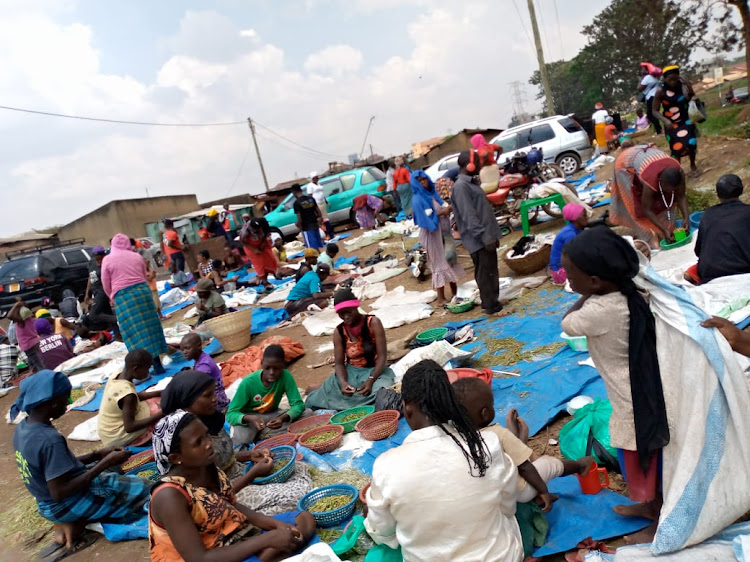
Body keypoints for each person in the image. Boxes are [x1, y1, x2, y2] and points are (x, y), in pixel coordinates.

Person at [561, 227, 669, 544]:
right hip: (643, 391)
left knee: (644, 463)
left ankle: (659, 520)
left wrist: (584, 296)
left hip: (630, 400)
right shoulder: (629, 291)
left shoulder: (598, 309)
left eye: (571, 275)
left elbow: (568, 323)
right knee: (644, 459)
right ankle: (649, 507)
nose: (568, 282)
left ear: (595, 282)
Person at [364, 360, 523, 561]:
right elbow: (508, 507)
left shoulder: (386, 466)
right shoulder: (486, 444)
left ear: (407, 409)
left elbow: (384, 533)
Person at [13, 370, 149, 559]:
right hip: (63, 503)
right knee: (145, 490)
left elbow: (59, 468)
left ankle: (70, 524)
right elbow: (59, 492)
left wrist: (97, 454)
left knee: (114, 474)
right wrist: (104, 463)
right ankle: (76, 523)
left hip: (45, 504)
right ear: (52, 403)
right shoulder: (49, 439)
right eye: (65, 400)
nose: (68, 404)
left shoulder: (25, 428)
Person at [148, 411, 316, 561]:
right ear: (175, 458)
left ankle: (270, 554)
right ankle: (269, 554)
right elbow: (198, 557)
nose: (208, 444)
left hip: (233, 536)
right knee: (280, 543)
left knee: (304, 520)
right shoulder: (169, 496)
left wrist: (275, 525)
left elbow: (231, 505)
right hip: (209, 554)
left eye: (206, 436)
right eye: (198, 442)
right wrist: (266, 540)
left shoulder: (206, 466)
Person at [453, 377, 594, 511]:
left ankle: (533, 490)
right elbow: (525, 468)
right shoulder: (497, 433)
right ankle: (580, 466)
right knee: (549, 463)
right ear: (485, 413)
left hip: (491, 498)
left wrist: (515, 438)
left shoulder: (456, 438)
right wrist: (543, 491)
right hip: (518, 493)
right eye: (492, 405)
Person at [305, 289, 395, 410]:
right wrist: (343, 383)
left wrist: (371, 380)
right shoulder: (339, 332)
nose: (346, 317)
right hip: (351, 372)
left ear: (356, 307)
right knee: (326, 391)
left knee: (382, 390)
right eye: (341, 314)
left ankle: (351, 403)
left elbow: (382, 357)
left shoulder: (373, 323)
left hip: (375, 370)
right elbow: (339, 364)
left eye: (349, 312)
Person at [102, 233, 169, 374]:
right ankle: (157, 364)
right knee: (150, 328)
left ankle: (141, 369)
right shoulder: (136, 257)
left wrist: (113, 296)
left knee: (133, 332)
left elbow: (106, 283)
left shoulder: (107, 260)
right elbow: (143, 276)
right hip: (143, 293)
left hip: (124, 298)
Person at [451, 150, 503, 315]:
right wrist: (485, 236)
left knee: (491, 270)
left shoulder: (471, 183)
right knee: (485, 273)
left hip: (486, 235)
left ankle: (493, 302)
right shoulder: (461, 187)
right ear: (469, 165)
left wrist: (492, 234)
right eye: (478, 163)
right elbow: (469, 216)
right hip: (478, 239)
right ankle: (490, 307)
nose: (481, 166)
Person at [610, 144, 690, 248]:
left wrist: (686, 217)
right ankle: (649, 240)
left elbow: (681, 196)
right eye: (668, 189)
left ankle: (664, 231)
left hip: (645, 157)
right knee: (636, 208)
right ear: (660, 182)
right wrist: (663, 229)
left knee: (666, 201)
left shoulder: (679, 171)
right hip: (625, 166)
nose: (671, 192)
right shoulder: (650, 179)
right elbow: (646, 209)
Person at [226, 344, 307, 446]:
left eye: (277, 368)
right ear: (261, 364)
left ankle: (263, 433)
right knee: (240, 441)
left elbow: (298, 404)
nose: (272, 372)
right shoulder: (248, 383)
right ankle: (265, 432)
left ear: (283, 365)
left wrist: (283, 418)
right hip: (251, 420)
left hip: (272, 416)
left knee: (307, 413)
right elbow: (230, 414)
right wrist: (249, 418)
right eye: (267, 368)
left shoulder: (286, 376)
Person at [411, 169, 465, 304]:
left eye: (424, 180)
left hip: (443, 232)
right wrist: (441, 213)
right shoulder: (417, 199)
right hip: (431, 235)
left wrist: (448, 209)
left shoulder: (432, 194)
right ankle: (441, 298)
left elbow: (441, 207)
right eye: (419, 182)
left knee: (450, 258)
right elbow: (423, 219)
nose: (423, 183)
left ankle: (455, 293)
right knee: (438, 264)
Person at [684, 174, 750, 284]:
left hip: (709, 274)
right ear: (741, 191)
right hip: (741, 271)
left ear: (718, 195)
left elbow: (698, 251)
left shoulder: (707, 215)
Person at [97, 348, 163, 447]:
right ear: (136, 369)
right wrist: (162, 414)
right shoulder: (128, 395)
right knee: (163, 413)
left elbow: (135, 397)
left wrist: (159, 393)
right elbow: (130, 427)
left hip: (106, 431)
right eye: (147, 369)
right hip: (118, 436)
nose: (148, 373)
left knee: (156, 399)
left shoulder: (117, 375)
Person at [652, 65, 700, 176]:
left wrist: (694, 98)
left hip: (685, 120)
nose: (673, 81)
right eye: (670, 79)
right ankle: (678, 170)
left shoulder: (684, 85)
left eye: (675, 78)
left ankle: (693, 165)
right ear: (665, 79)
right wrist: (665, 121)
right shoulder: (660, 91)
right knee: (676, 148)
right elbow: (654, 111)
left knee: (691, 143)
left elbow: (692, 95)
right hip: (670, 123)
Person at [180, 333, 229, 411]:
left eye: (187, 348)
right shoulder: (201, 358)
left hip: (216, 400)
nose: (184, 352)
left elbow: (197, 383)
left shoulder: (204, 364)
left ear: (199, 346)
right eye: (182, 350)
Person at [549, 203, 589, 285]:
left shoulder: (577, 229)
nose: (587, 217)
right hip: (560, 273)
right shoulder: (569, 234)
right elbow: (575, 256)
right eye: (584, 215)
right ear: (575, 218)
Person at [240, 218, 278, 290]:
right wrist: (254, 249)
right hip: (250, 246)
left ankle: (274, 274)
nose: (256, 230)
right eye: (255, 229)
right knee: (259, 263)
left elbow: (266, 234)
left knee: (269, 259)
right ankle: (265, 282)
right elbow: (242, 241)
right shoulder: (245, 230)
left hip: (262, 242)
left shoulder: (264, 224)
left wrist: (262, 245)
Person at [7, 300, 44, 372]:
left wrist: (16, 305)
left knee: (39, 365)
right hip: (34, 342)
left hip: (28, 346)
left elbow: (9, 316)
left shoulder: (20, 322)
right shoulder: (30, 319)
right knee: (34, 365)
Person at [291, 183, 323, 250]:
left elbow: (299, 218)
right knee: (316, 247)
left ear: (294, 192)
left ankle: (317, 260)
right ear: (301, 190)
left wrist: (300, 226)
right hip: (315, 225)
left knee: (311, 249)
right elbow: (319, 213)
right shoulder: (310, 199)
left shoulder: (297, 203)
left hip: (307, 228)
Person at [307, 174, 334, 239]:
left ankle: (330, 234)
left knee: (325, 218)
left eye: (317, 178)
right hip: (317, 204)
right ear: (312, 179)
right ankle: (326, 234)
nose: (316, 179)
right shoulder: (310, 186)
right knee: (321, 220)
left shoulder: (319, 184)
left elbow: (322, 194)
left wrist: (326, 202)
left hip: (322, 202)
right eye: (315, 178)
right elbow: (310, 196)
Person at [638, 64, 662, 134]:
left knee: (650, 115)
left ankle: (659, 130)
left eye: (642, 69)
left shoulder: (647, 77)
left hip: (651, 97)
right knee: (653, 113)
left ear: (646, 70)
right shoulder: (654, 77)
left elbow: (639, 88)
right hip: (655, 96)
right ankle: (659, 129)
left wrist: (641, 78)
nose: (641, 71)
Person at [144, 255, 166, 321]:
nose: (148, 265)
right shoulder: (144, 273)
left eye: (148, 264)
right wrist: (153, 275)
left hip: (154, 289)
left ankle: (160, 316)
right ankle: (157, 317)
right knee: (155, 305)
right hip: (150, 291)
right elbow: (149, 279)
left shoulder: (150, 270)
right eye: (147, 264)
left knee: (158, 304)